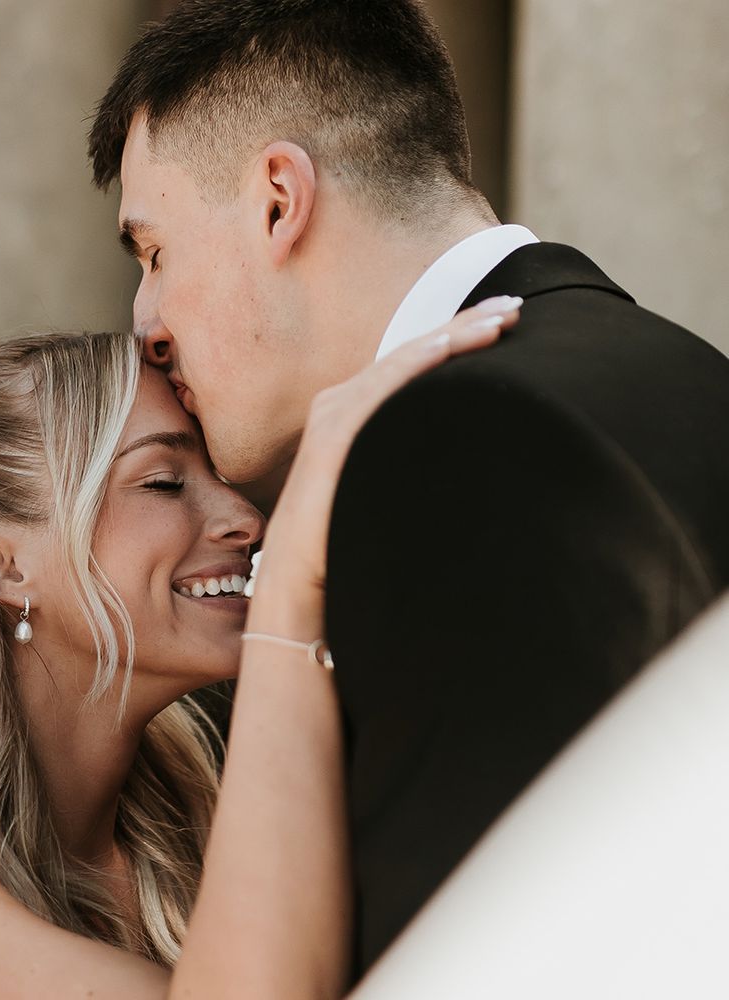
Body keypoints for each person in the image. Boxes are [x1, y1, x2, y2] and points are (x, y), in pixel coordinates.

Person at [88, 0, 729, 978]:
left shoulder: (453, 452)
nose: (146, 319)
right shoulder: (676, 369)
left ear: (276, 200)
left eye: (154, 252)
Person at [0, 312, 512, 999]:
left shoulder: (186, 823)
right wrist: (289, 614)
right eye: (164, 482)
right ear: (2, 564)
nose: (245, 517)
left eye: (225, 475)